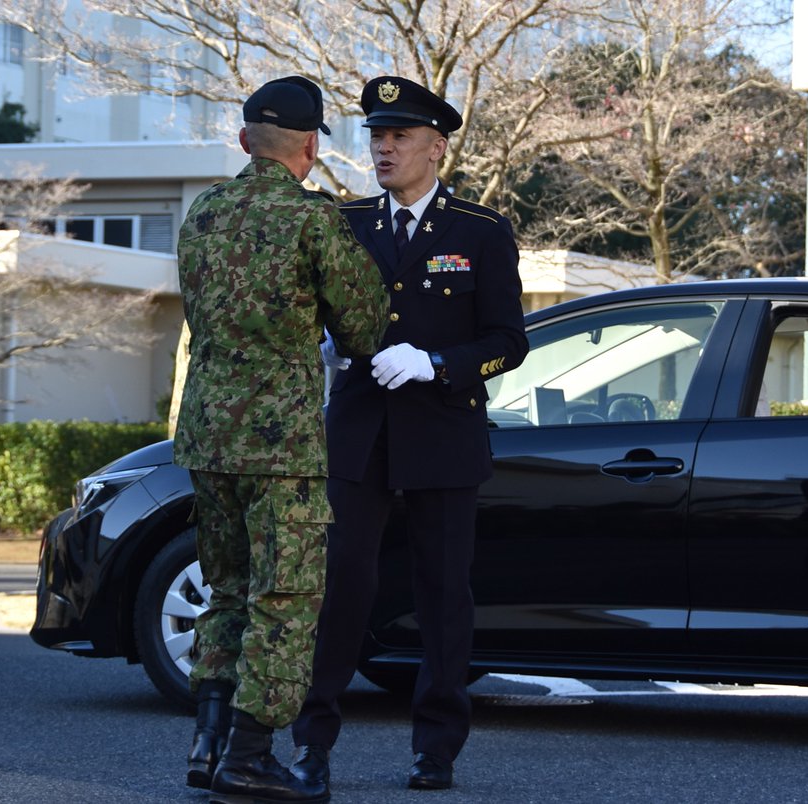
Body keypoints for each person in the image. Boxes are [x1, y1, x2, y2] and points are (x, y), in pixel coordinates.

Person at [290, 75, 529, 793]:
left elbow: (508, 341)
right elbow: (317, 312)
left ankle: (436, 748)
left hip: (443, 434)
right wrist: (330, 345)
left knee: (442, 598)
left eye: (399, 138)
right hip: (359, 433)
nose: (384, 149)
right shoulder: (345, 220)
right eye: (376, 136)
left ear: (436, 148)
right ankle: (312, 744)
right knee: (339, 591)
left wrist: (436, 363)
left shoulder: (480, 232)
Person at [174, 75, 389, 804]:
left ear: (243, 141)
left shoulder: (202, 214)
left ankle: (206, 743)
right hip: (281, 444)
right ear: (308, 147)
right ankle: (251, 754)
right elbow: (363, 325)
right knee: (286, 596)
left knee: (225, 590)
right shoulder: (312, 219)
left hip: (207, 437)